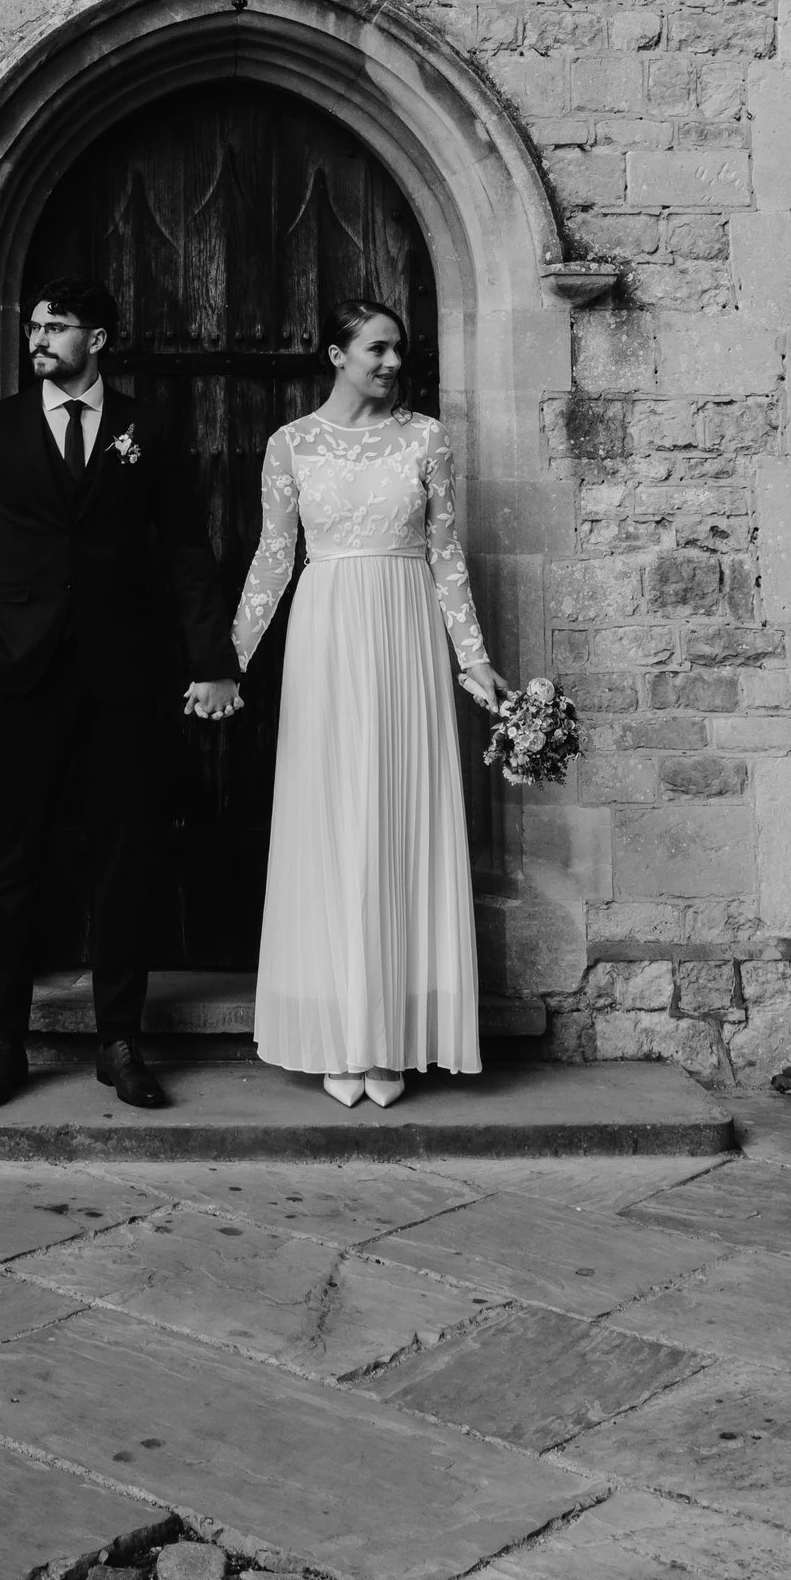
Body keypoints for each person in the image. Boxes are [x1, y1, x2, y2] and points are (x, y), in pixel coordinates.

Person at [0, 275, 230, 1113]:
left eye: (55, 326)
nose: (38, 338)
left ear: (97, 338)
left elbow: (185, 549)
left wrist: (211, 658)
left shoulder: (145, 427)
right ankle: (5, 1043)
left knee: (123, 859)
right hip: (21, 674)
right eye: (33, 325)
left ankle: (119, 1041)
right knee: (17, 859)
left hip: (124, 675)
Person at [208, 295, 506, 1105]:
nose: (392, 363)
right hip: (329, 631)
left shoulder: (426, 438)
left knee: (400, 817)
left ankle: (394, 1039)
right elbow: (273, 558)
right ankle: (340, 1029)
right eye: (376, 349)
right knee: (334, 819)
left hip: (405, 631)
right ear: (335, 354)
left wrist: (473, 661)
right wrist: (227, 660)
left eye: (398, 350)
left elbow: (447, 555)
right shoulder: (292, 444)